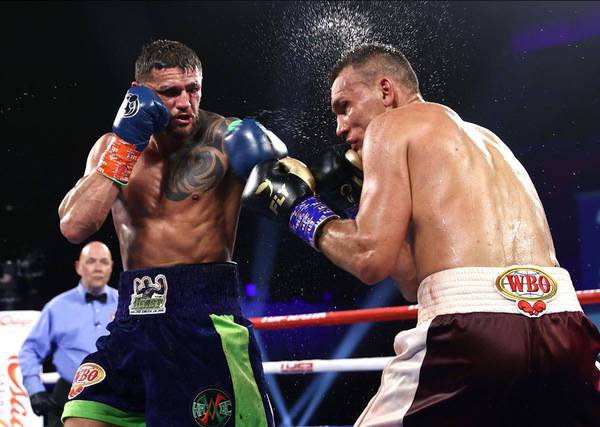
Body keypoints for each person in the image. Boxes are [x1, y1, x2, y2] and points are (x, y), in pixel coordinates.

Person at [241, 43, 600, 425]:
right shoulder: (490, 142)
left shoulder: (390, 126)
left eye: (344, 107)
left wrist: (298, 209)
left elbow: (368, 259)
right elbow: (414, 282)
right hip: (562, 322)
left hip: (472, 330)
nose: (339, 127)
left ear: (385, 91)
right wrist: (358, 204)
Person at [57, 39, 285, 426]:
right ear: (139, 94)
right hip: (132, 321)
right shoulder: (111, 147)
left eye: (192, 89)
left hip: (204, 322)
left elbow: (282, 166)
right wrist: (126, 145)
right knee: (82, 417)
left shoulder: (224, 138)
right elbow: (75, 226)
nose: (184, 103)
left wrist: (268, 146)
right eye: (170, 92)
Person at [19, 241, 118, 427]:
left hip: (117, 398)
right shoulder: (57, 307)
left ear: (111, 267)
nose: (98, 268)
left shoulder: (124, 304)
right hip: (69, 397)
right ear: (78, 267)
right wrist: (35, 390)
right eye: (91, 261)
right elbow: (30, 350)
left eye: (104, 262)